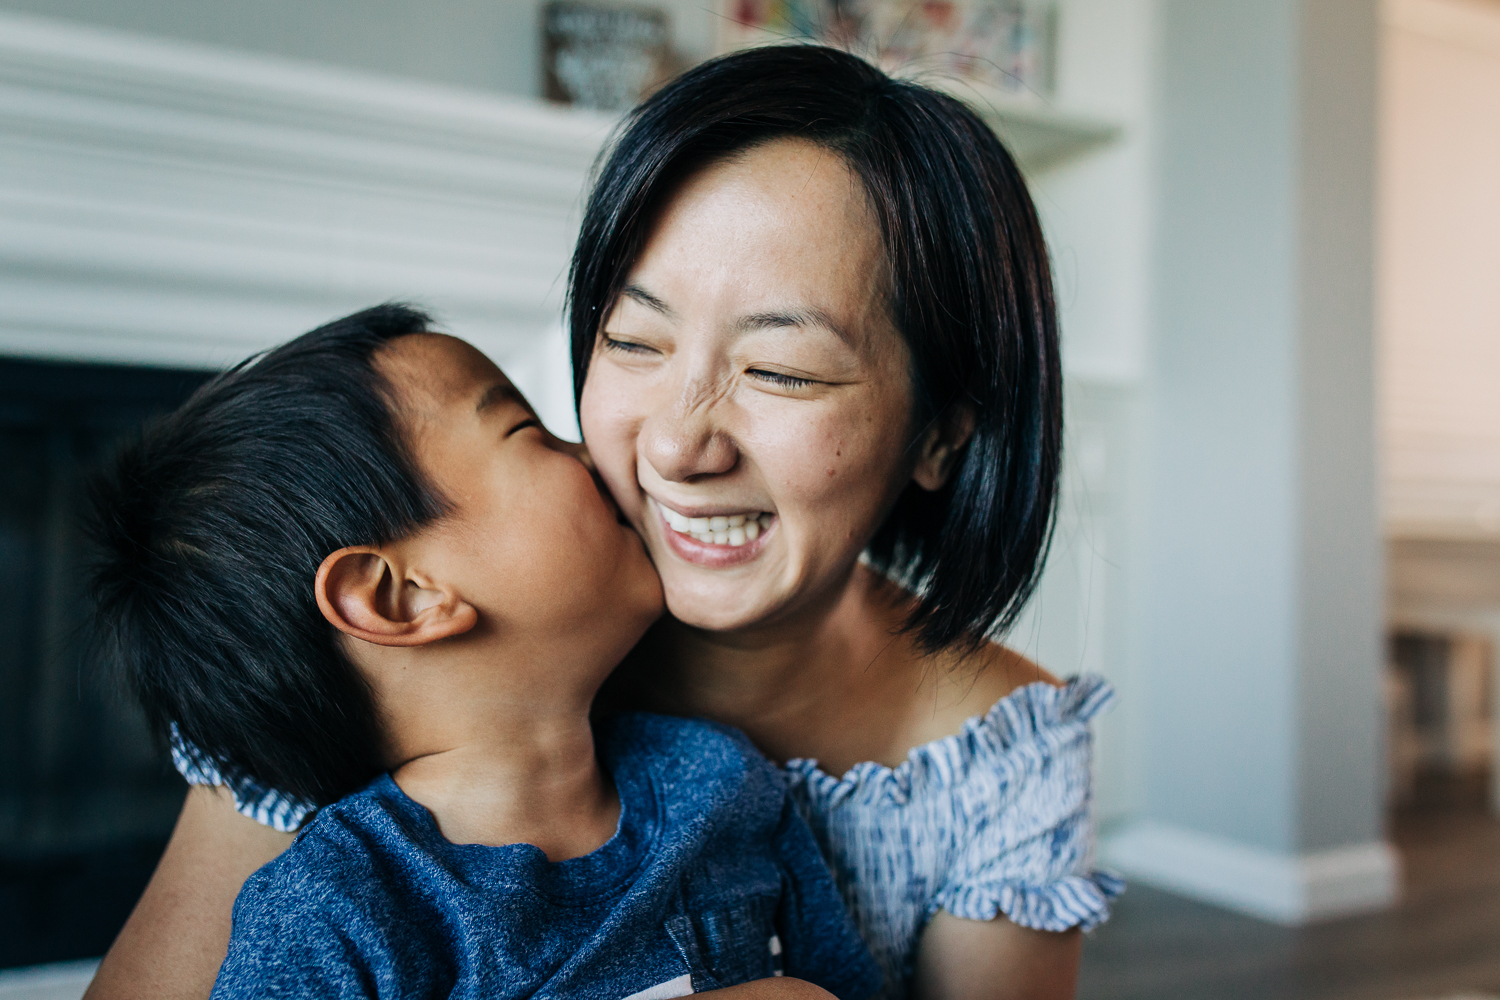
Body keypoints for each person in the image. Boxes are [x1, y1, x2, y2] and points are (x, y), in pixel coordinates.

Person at [84, 46, 1119, 1000]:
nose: (675, 448)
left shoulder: (971, 770)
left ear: (939, 435)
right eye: (632, 340)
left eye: (780, 370)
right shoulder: (365, 681)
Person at [83, 305, 882, 1000]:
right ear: (403, 597)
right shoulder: (336, 915)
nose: (587, 450)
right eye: (526, 429)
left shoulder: (721, 781)